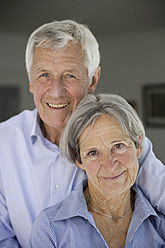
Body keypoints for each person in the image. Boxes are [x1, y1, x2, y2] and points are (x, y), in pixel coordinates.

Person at [0, 20, 164, 248]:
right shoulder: (3, 142)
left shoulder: (124, 141)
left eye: (70, 76)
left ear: (93, 79)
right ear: (30, 78)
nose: (56, 92)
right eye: (44, 75)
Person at [30, 93, 165, 248]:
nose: (109, 165)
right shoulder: (50, 229)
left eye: (118, 146)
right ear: (79, 159)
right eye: (93, 153)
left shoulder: (160, 224)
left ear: (138, 147)